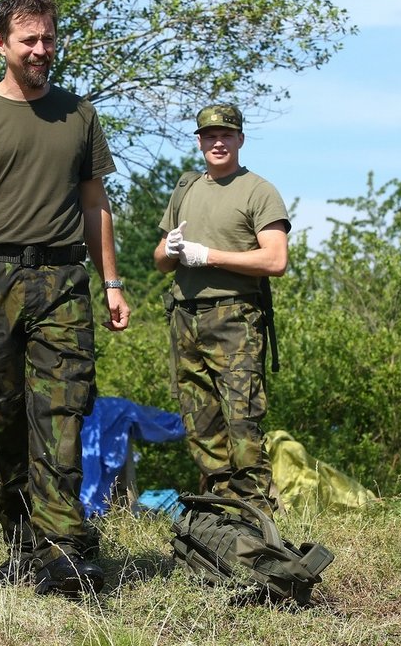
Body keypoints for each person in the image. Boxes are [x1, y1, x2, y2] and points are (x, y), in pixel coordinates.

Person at [0, 0, 129, 596]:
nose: (41, 50)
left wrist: (111, 280)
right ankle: (24, 543)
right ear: (1, 45)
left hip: (63, 279)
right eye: (28, 40)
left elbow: (96, 206)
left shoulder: (78, 115)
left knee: (60, 412)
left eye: (48, 39)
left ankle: (67, 552)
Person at [153, 103, 290, 517]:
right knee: (200, 424)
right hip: (184, 316)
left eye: (226, 135)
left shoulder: (258, 190)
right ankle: (218, 518)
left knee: (242, 423)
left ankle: (258, 520)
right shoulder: (186, 189)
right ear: (199, 141)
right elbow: (160, 260)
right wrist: (171, 249)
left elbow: (275, 261)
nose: (218, 142)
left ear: (240, 140)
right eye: (209, 136)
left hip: (235, 318)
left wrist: (209, 255)